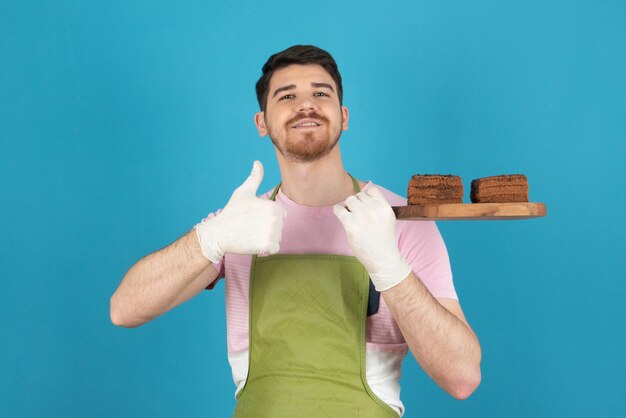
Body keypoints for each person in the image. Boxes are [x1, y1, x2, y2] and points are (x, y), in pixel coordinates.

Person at [110, 45, 481, 417]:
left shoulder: (399, 220)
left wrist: (390, 268)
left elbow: (462, 378)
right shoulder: (240, 221)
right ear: (262, 123)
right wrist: (211, 238)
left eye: (321, 93)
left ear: (344, 115)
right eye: (287, 95)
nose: (306, 104)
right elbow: (124, 310)